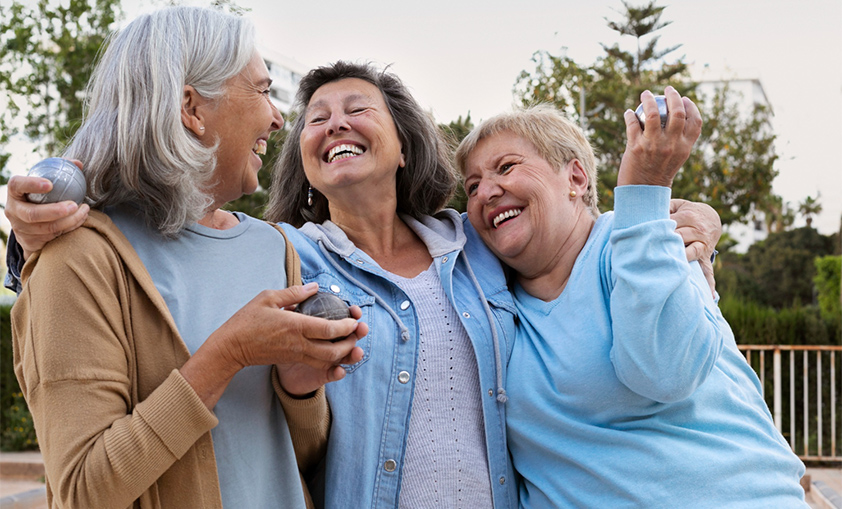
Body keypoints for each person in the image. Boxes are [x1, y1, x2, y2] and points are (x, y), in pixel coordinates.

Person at [7, 61, 721, 507]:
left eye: (356, 110)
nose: (333, 123)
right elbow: (168, 251)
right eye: (315, 119)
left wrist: (689, 220)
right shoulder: (283, 254)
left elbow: (574, 239)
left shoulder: (476, 243)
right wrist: (29, 236)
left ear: (402, 142)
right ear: (306, 161)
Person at [5, 7, 366, 508]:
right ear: (191, 108)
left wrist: (300, 388)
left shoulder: (272, 247)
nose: (279, 118)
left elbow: (296, 457)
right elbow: (83, 491)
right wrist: (228, 355)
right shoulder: (80, 257)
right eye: (262, 91)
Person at [455, 92, 808, 507]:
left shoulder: (656, 236)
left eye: (507, 167)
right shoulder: (485, 297)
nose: (486, 194)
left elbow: (666, 372)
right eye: (472, 186)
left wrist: (645, 190)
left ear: (576, 179)